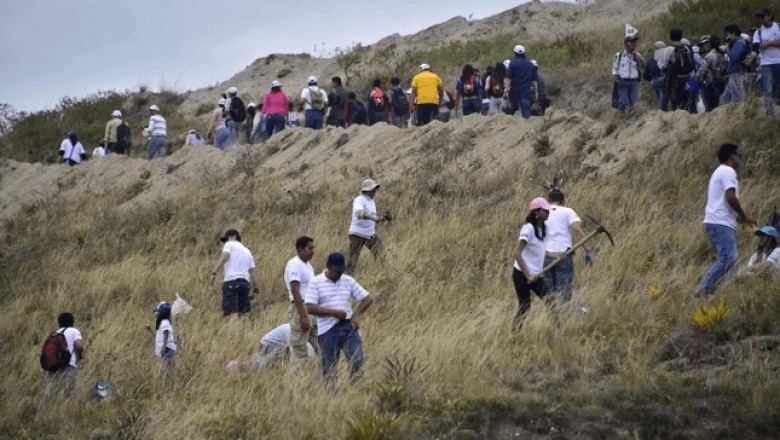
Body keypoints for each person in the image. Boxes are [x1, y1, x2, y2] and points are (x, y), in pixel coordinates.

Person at [305, 252, 373, 393]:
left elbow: (367, 299)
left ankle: (356, 391)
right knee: (329, 366)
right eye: (337, 271)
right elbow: (310, 307)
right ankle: (331, 396)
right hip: (327, 330)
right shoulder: (316, 282)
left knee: (357, 359)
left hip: (348, 327)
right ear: (328, 267)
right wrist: (334, 313)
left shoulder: (348, 280)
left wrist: (355, 316)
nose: (340, 274)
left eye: (342, 271)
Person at [694, 143, 757, 297]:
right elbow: (730, 197)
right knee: (728, 257)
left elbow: (722, 202)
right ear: (732, 156)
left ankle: (722, 293)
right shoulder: (728, 171)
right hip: (719, 223)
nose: (740, 159)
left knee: (733, 263)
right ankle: (703, 289)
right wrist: (743, 215)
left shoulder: (720, 172)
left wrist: (737, 217)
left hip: (717, 221)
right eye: (739, 156)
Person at [543, 185, 593, 303]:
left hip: (545, 256)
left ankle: (551, 318)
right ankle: (564, 314)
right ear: (563, 201)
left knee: (549, 294)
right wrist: (588, 250)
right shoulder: (567, 211)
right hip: (563, 255)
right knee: (564, 293)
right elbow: (577, 229)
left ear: (548, 201)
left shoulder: (541, 213)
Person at [35, 312, 84, 421]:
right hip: (68, 366)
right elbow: (79, 345)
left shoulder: (54, 334)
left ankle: (38, 417)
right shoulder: (74, 331)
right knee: (70, 393)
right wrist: (80, 356)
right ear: (72, 321)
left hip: (52, 367)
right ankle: (69, 419)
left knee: (49, 393)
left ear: (59, 323)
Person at [512, 198, 551, 331]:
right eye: (545, 210)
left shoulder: (544, 229)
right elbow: (516, 254)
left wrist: (557, 256)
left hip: (536, 275)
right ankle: (515, 334)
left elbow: (541, 251)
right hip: (521, 275)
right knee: (525, 306)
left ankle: (558, 331)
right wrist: (527, 275)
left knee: (551, 302)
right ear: (536, 212)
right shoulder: (528, 229)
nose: (548, 212)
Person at [209, 229, 260, 318]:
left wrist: (214, 272)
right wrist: (256, 287)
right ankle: (245, 332)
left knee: (233, 314)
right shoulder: (247, 251)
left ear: (233, 237)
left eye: (227, 239)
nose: (225, 242)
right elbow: (252, 271)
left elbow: (225, 256)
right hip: (245, 284)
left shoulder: (230, 244)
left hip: (231, 283)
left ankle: (234, 332)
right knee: (243, 314)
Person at [284, 236, 318, 363]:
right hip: (301, 307)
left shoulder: (308, 266)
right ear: (300, 249)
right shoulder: (294, 264)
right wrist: (303, 315)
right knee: (299, 347)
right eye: (310, 248)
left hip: (312, 308)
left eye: (313, 248)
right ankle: (299, 378)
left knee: (322, 343)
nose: (313, 251)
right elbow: (295, 289)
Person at [347, 179, 389, 273]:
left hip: (370, 233)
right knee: (353, 260)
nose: (375, 191)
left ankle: (383, 274)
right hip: (357, 233)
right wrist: (373, 218)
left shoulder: (371, 201)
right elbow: (359, 213)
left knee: (381, 254)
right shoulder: (359, 199)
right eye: (373, 189)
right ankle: (348, 279)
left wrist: (382, 218)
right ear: (367, 190)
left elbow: (373, 217)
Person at [250, 324, 316, 369]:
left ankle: (256, 362)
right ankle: (253, 364)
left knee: (282, 359)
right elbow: (295, 351)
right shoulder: (292, 331)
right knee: (270, 364)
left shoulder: (296, 329)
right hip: (269, 344)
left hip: (272, 343)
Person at [752, 9, 780, 115]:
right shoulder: (758, 32)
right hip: (766, 63)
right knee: (767, 89)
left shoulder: (778, 27)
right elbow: (755, 46)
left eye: (762, 16)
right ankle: (769, 113)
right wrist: (753, 55)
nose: (760, 19)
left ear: (769, 16)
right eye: (759, 17)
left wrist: (769, 43)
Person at [503, 45, 540, 119]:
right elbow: (534, 81)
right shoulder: (530, 64)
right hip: (526, 92)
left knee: (510, 114)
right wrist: (536, 93)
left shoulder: (512, 63)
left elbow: (507, 78)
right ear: (524, 53)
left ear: (515, 53)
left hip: (514, 92)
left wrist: (506, 90)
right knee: (526, 114)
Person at [664, 29, 696, 113]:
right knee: (689, 97)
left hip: (676, 79)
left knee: (675, 100)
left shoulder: (669, 49)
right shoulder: (687, 48)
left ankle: (678, 117)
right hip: (689, 76)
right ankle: (690, 115)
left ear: (670, 38)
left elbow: (664, 65)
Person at [612, 36, 646, 112]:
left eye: (634, 43)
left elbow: (644, 67)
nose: (634, 45)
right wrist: (617, 80)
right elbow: (614, 69)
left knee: (633, 103)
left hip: (634, 81)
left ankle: (633, 119)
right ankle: (621, 117)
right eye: (632, 43)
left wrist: (640, 60)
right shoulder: (619, 55)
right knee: (623, 102)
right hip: (623, 81)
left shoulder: (637, 55)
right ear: (626, 44)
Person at [720, 25, 752, 105]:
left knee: (738, 100)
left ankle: (741, 116)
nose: (728, 37)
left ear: (733, 33)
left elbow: (734, 56)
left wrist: (728, 48)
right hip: (733, 74)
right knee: (723, 101)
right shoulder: (736, 43)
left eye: (728, 34)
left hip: (737, 73)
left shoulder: (740, 43)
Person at [698, 35, 725, 112]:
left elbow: (702, 71)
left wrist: (698, 79)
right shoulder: (721, 53)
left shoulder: (709, 56)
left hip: (711, 83)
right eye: (704, 43)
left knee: (712, 107)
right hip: (721, 80)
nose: (706, 45)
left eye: (707, 43)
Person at [153, 301, 177, 375]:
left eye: (158, 313)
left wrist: (164, 346)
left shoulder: (164, 322)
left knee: (167, 367)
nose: (157, 314)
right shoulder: (164, 322)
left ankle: (169, 380)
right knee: (166, 366)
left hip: (167, 348)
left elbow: (166, 333)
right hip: (167, 347)